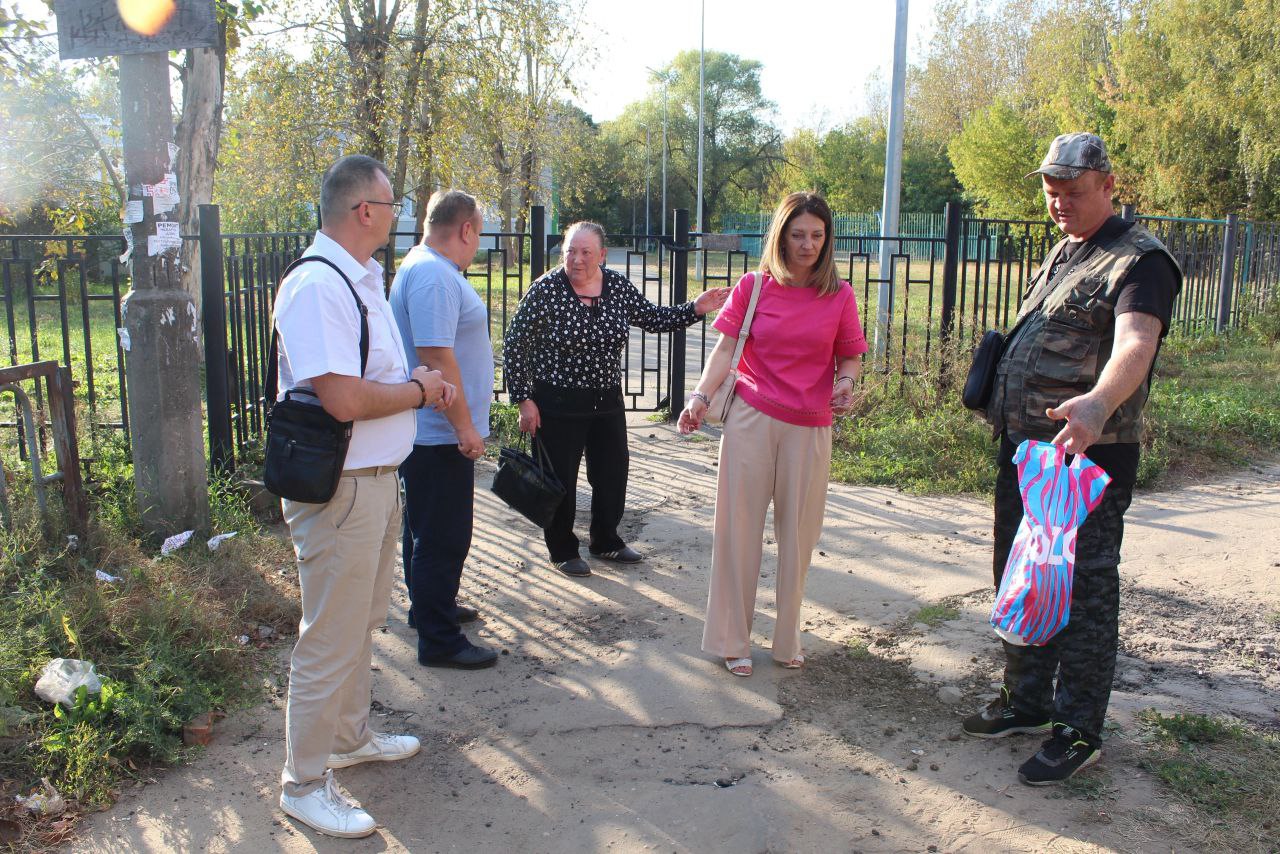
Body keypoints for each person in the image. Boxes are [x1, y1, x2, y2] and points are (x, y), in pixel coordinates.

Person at [962, 133, 1182, 786]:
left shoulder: (1141, 261)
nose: (1059, 202)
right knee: (1022, 579)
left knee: (1083, 591)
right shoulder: (1067, 248)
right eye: (1051, 191)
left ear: (1109, 185)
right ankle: (1025, 701)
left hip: (1088, 459)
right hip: (1029, 453)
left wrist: (1097, 404)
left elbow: (1135, 343)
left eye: (1073, 191)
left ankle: (1077, 728)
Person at [272, 155, 455, 838]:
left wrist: (409, 382)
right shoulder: (318, 285)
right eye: (391, 201)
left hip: (374, 481)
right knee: (329, 634)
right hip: (342, 488)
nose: (398, 211)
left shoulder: (360, 278)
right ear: (363, 211)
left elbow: (363, 376)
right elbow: (343, 398)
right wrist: (419, 391)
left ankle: (347, 738)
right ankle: (303, 782)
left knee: (360, 620)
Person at [678, 191, 868, 678]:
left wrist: (845, 383)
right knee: (737, 532)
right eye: (798, 234)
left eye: (817, 235)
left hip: (811, 429)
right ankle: (732, 639)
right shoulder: (753, 286)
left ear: (828, 240)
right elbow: (724, 351)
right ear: (781, 235)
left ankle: (787, 639)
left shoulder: (839, 295)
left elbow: (849, 355)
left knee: (798, 539)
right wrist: (699, 399)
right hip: (751, 421)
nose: (807, 245)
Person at [503, 221, 729, 578]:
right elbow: (516, 342)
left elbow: (652, 318)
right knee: (560, 478)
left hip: (606, 399)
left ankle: (605, 540)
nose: (576, 260)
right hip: (557, 401)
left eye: (585, 253)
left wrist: (694, 309)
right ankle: (562, 549)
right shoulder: (546, 289)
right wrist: (523, 399)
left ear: (602, 255)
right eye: (570, 252)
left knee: (612, 472)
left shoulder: (617, 287)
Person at [389, 189, 498, 670]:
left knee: (424, 530)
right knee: (443, 536)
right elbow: (435, 357)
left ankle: (430, 608)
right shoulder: (434, 275)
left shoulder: (426, 266)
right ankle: (439, 639)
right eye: (479, 233)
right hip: (438, 433)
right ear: (466, 229)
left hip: (430, 431)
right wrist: (465, 428)